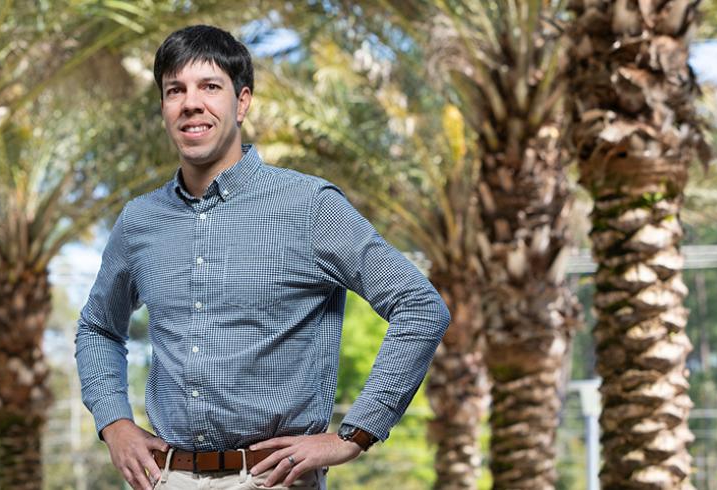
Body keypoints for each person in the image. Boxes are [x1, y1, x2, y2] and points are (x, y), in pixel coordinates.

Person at [75, 24, 451, 490]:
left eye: (210, 86)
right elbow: (97, 327)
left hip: (274, 480)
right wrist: (114, 423)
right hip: (167, 479)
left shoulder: (310, 206)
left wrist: (355, 434)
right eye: (176, 90)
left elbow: (419, 305)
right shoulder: (140, 222)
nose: (191, 102)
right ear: (165, 108)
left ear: (242, 102)